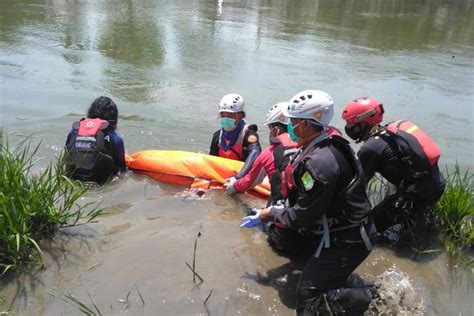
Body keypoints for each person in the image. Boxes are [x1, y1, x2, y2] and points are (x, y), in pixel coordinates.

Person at [241, 90, 375, 315]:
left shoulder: (318, 164)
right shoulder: (327, 139)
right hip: (344, 228)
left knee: (307, 298)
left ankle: (373, 299)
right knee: (311, 279)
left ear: (304, 124)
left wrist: (270, 213)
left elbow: (301, 216)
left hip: (349, 237)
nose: (289, 127)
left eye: (293, 122)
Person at [341, 97, 446, 242]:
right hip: (436, 184)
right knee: (404, 217)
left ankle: (402, 241)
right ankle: (413, 228)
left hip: (419, 194)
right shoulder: (390, 133)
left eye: (351, 123)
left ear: (364, 122)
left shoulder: (370, 148)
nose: (348, 127)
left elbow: (357, 187)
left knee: (366, 229)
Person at [224, 101, 297, 206]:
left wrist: (233, 185)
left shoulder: (268, 154)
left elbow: (249, 181)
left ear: (275, 130)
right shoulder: (307, 146)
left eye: (270, 128)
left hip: (282, 211)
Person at [65, 96, 126, 184]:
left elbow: (67, 156)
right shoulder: (116, 138)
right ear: (113, 117)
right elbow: (121, 169)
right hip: (100, 183)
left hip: (74, 179)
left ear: (90, 113)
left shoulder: (74, 131)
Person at [209, 94, 261, 181]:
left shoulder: (249, 135)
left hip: (242, 176)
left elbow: (255, 153)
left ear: (240, 116)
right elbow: (211, 162)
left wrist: (238, 177)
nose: (225, 119)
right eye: (223, 115)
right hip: (222, 176)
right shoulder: (217, 137)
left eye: (230, 116)